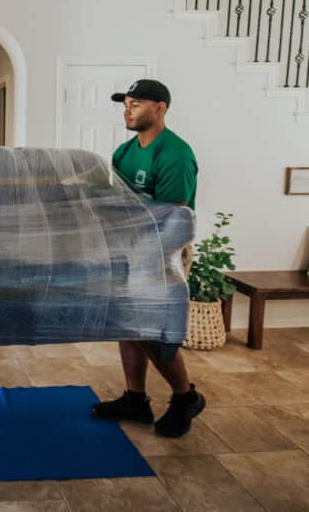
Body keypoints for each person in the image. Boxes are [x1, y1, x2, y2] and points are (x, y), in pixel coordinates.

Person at [91, 79, 206, 438]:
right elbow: (116, 201)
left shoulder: (174, 154)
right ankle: (135, 399)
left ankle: (186, 396)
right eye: (125, 103)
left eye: (136, 103)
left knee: (152, 328)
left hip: (163, 251)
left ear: (160, 108)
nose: (127, 110)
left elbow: (174, 218)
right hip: (130, 247)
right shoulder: (126, 152)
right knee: (128, 325)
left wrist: (142, 252)